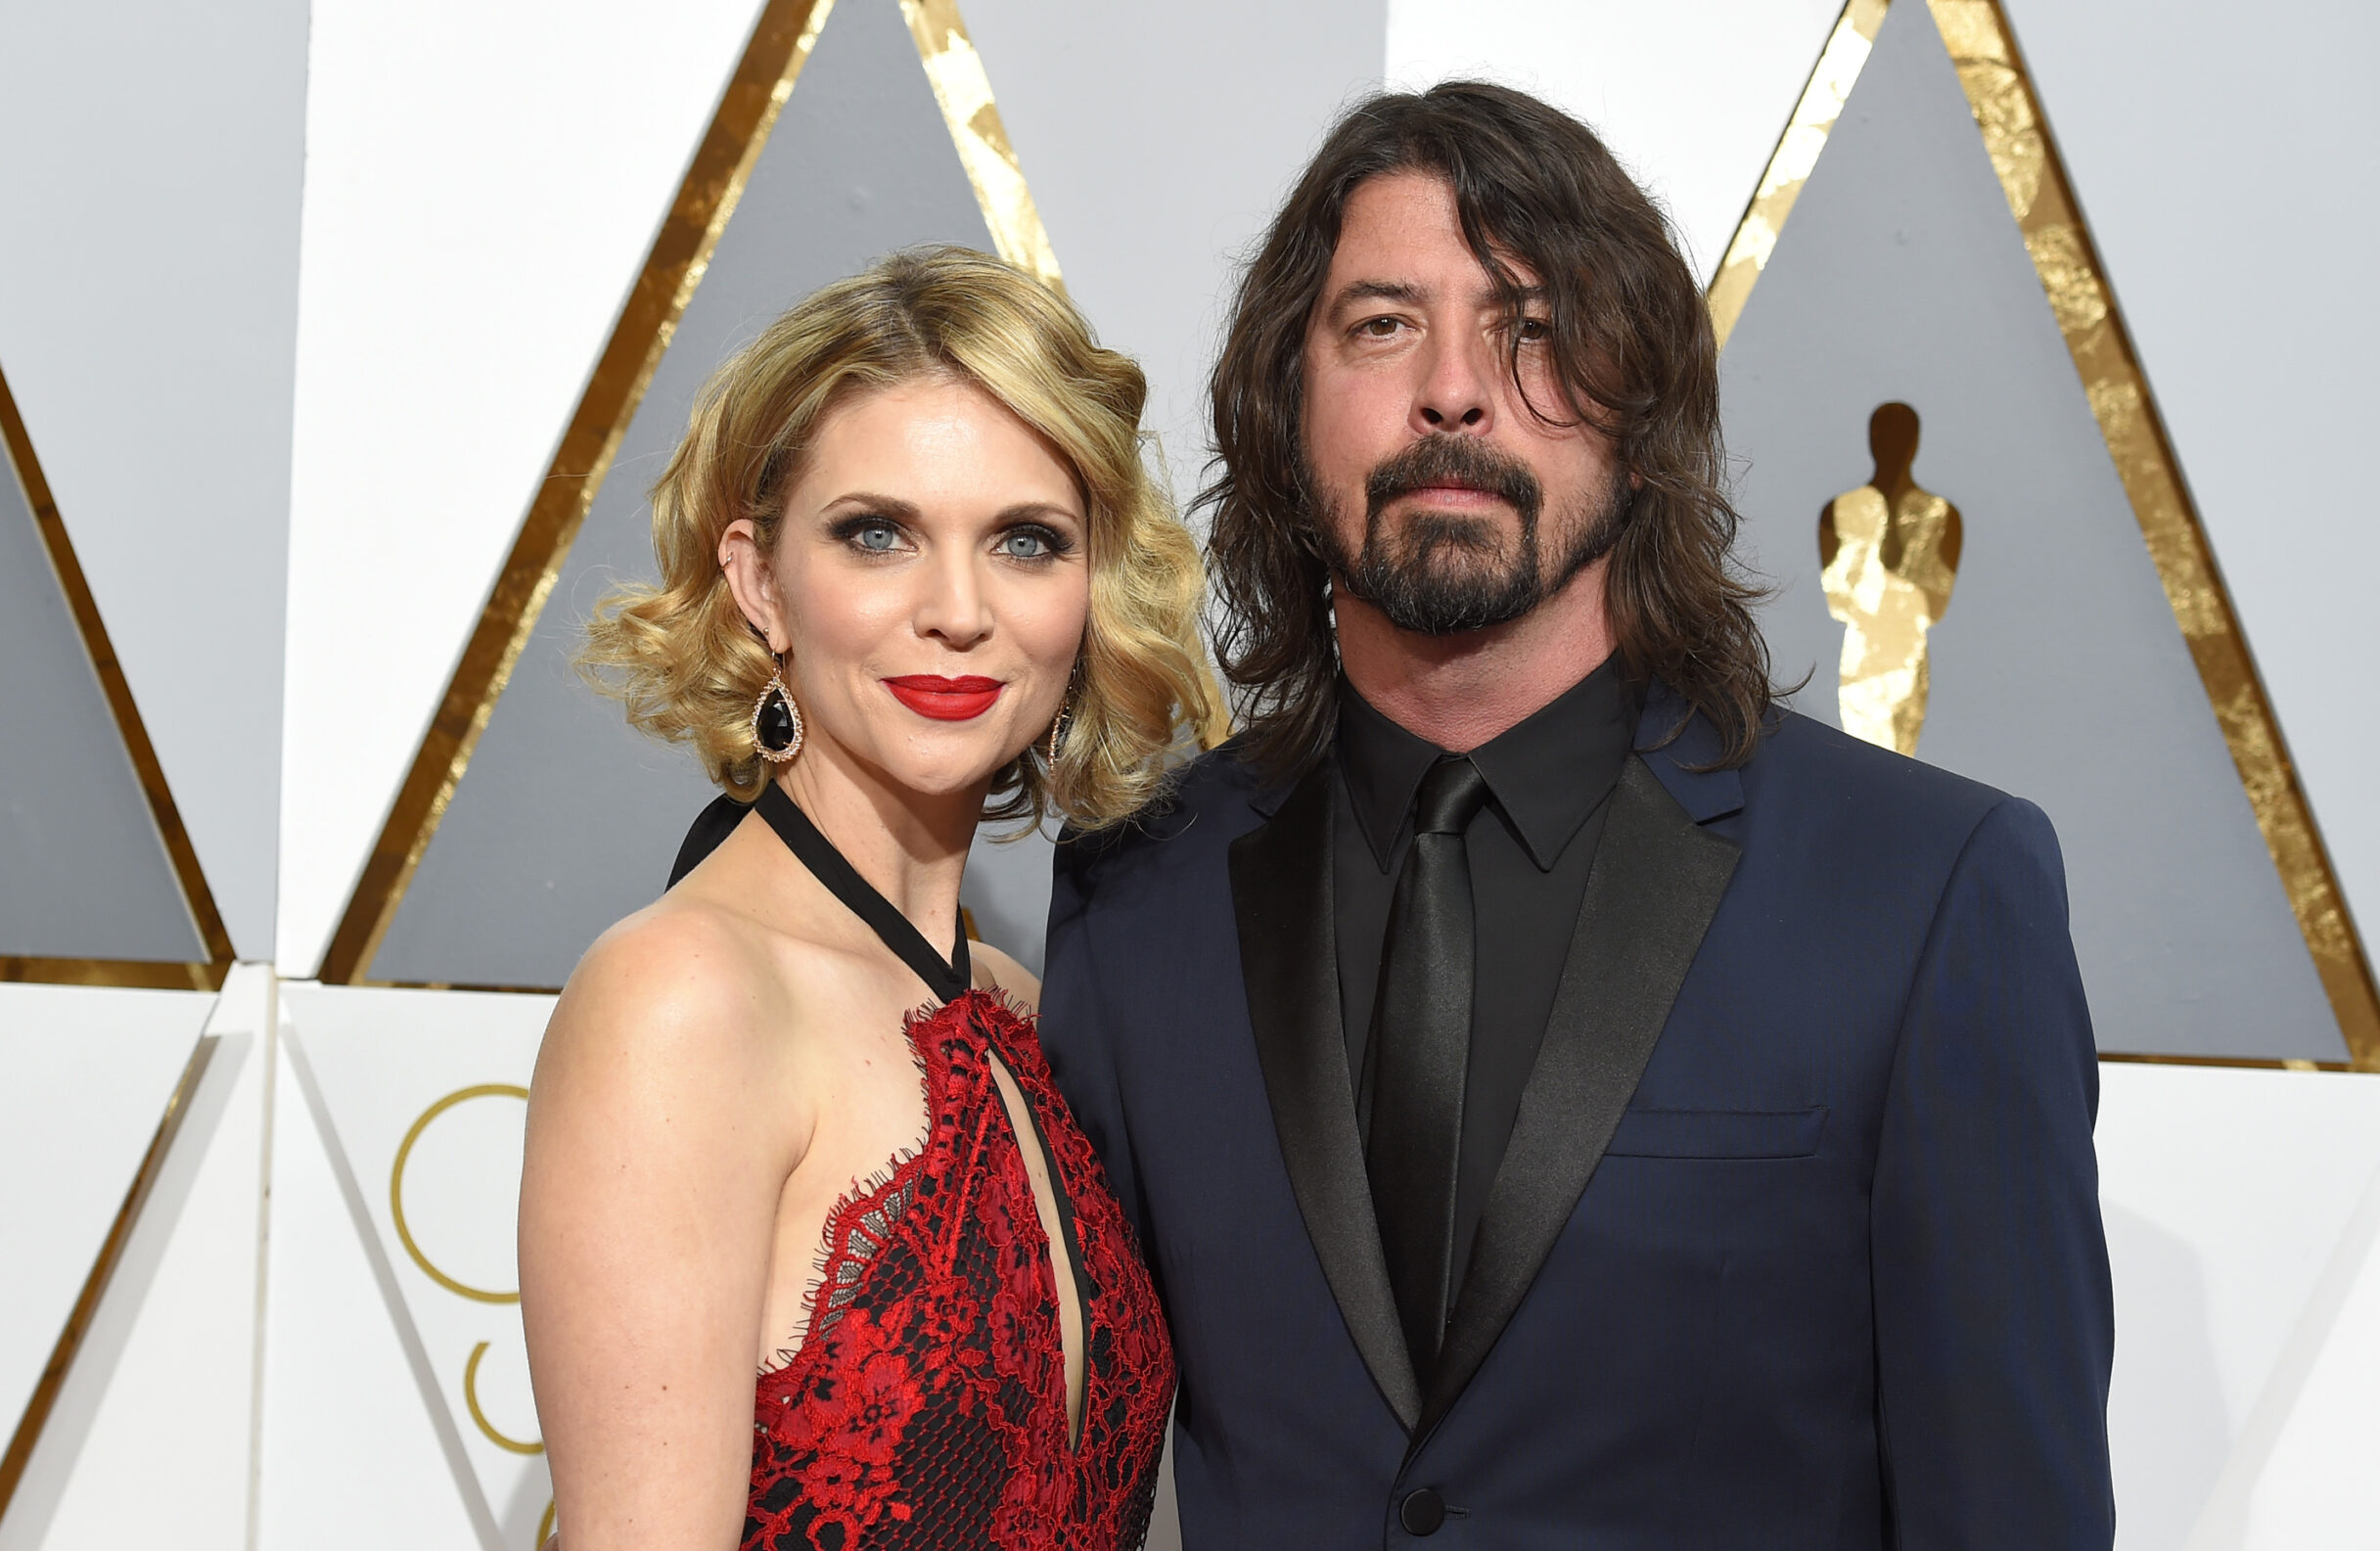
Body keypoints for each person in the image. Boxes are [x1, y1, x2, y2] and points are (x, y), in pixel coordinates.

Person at [1040, 83, 2114, 1547]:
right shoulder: (1134, 906)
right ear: (1286, 408)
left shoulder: (1924, 891)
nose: (1456, 390)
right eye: (1381, 323)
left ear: (1642, 412)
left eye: (1532, 327)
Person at [519, 247, 1213, 1551]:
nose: (957, 610)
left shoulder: (1025, 1009)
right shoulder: (681, 1000)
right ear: (760, 581)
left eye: (1024, 539)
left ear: (1086, 592)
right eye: (877, 532)